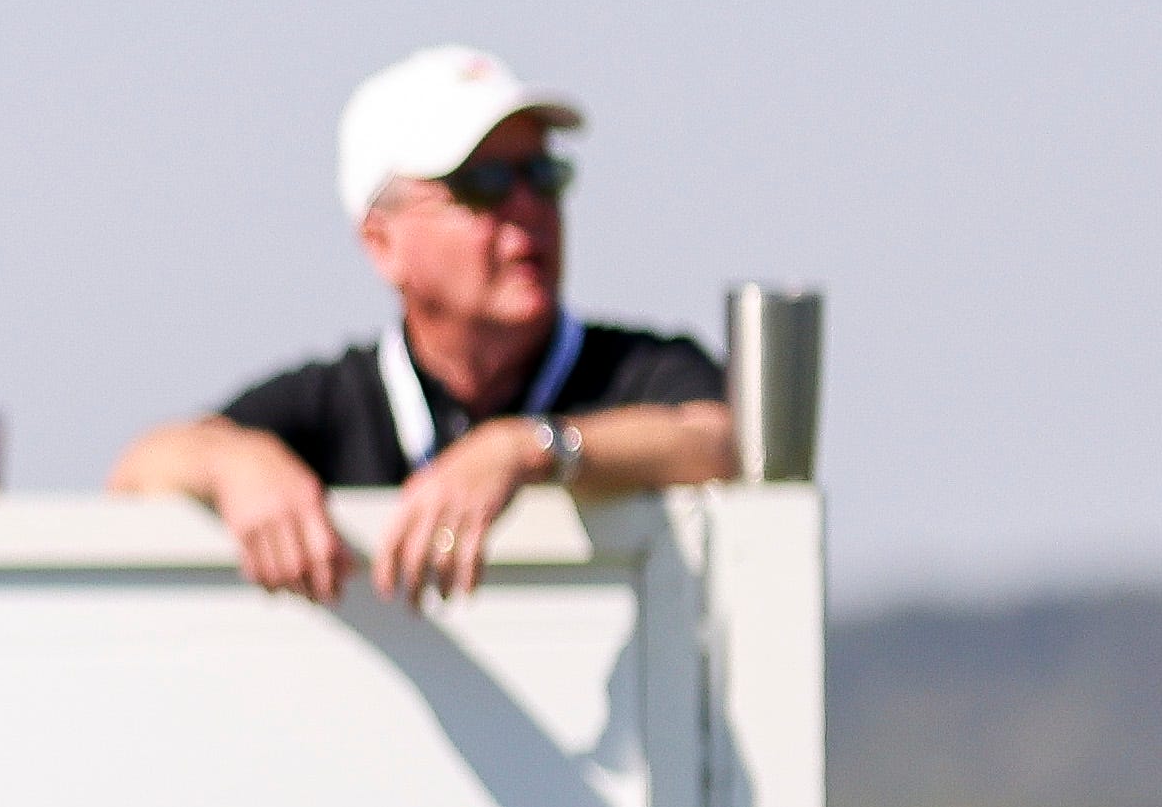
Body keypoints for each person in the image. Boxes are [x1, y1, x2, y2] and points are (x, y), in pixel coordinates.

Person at [108, 43, 733, 602]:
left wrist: (529, 449)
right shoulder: (339, 400)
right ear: (381, 243)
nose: (528, 207)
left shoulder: (641, 368)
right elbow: (141, 469)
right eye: (483, 184)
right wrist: (237, 464)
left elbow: (723, 441)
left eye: (544, 175)